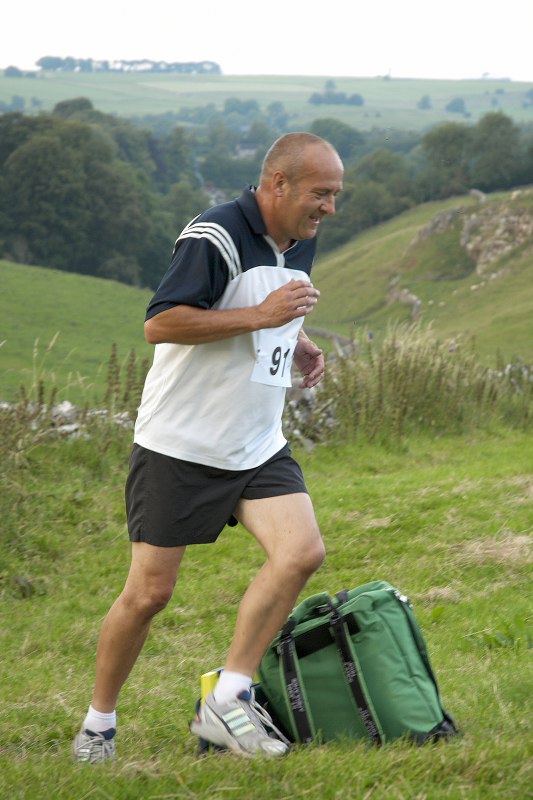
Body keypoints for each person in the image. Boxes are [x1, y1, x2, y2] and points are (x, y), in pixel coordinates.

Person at [72, 132, 344, 762]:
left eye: (335, 195)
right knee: (149, 595)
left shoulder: (301, 236)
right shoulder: (214, 234)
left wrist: (296, 338)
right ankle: (97, 725)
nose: (330, 208)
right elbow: (161, 321)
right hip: (181, 444)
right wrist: (263, 317)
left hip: (256, 441)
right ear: (279, 183)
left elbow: (266, 305)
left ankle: (227, 700)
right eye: (321, 193)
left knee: (301, 552)